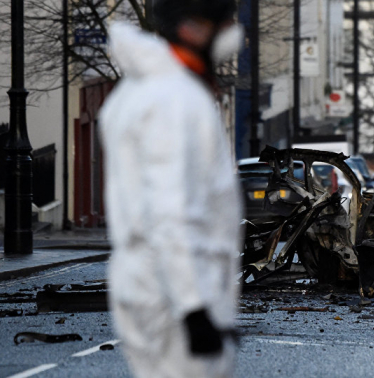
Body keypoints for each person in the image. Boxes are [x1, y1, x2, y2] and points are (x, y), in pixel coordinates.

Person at [99, 1, 244, 377]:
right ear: (193, 28)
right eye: (224, 22)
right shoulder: (176, 100)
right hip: (172, 293)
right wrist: (194, 308)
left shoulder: (137, 91)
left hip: (148, 283)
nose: (233, 33)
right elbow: (170, 213)